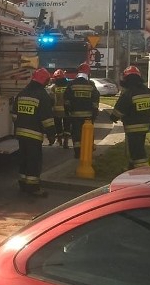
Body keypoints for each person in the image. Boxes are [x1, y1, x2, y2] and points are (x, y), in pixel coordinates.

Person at [11, 68, 56, 198]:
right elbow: (47, 119)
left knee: (23, 159)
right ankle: (33, 187)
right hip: (34, 135)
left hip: (21, 134)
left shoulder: (22, 93)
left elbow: (14, 114)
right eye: (47, 80)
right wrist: (51, 134)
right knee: (34, 161)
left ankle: (23, 184)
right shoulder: (42, 95)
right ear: (43, 80)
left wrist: (19, 126)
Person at [111, 66, 150, 168]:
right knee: (137, 148)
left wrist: (113, 118)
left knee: (137, 153)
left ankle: (142, 171)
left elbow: (118, 112)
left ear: (127, 79)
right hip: (145, 127)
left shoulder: (128, 93)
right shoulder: (148, 92)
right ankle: (131, 169)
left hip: (132, 128)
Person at [63, 63, 100, 159]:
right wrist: (94, 113)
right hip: (88, 117)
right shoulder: (91, 85)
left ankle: (78, 153)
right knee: (88, 133)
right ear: (88, 74)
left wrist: (68, 111)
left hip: (75, 116)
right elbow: (95, 100)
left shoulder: (71, 84)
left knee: (76, 135)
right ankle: (88, 151)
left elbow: (66, 100)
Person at [48, 69, 69, 148]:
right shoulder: (68, 87)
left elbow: (51, 99)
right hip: (67, 110)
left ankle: (59, 140)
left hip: (56, 111)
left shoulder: (53, 87)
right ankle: (66, 141)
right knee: (67, 125)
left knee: (58, 125)